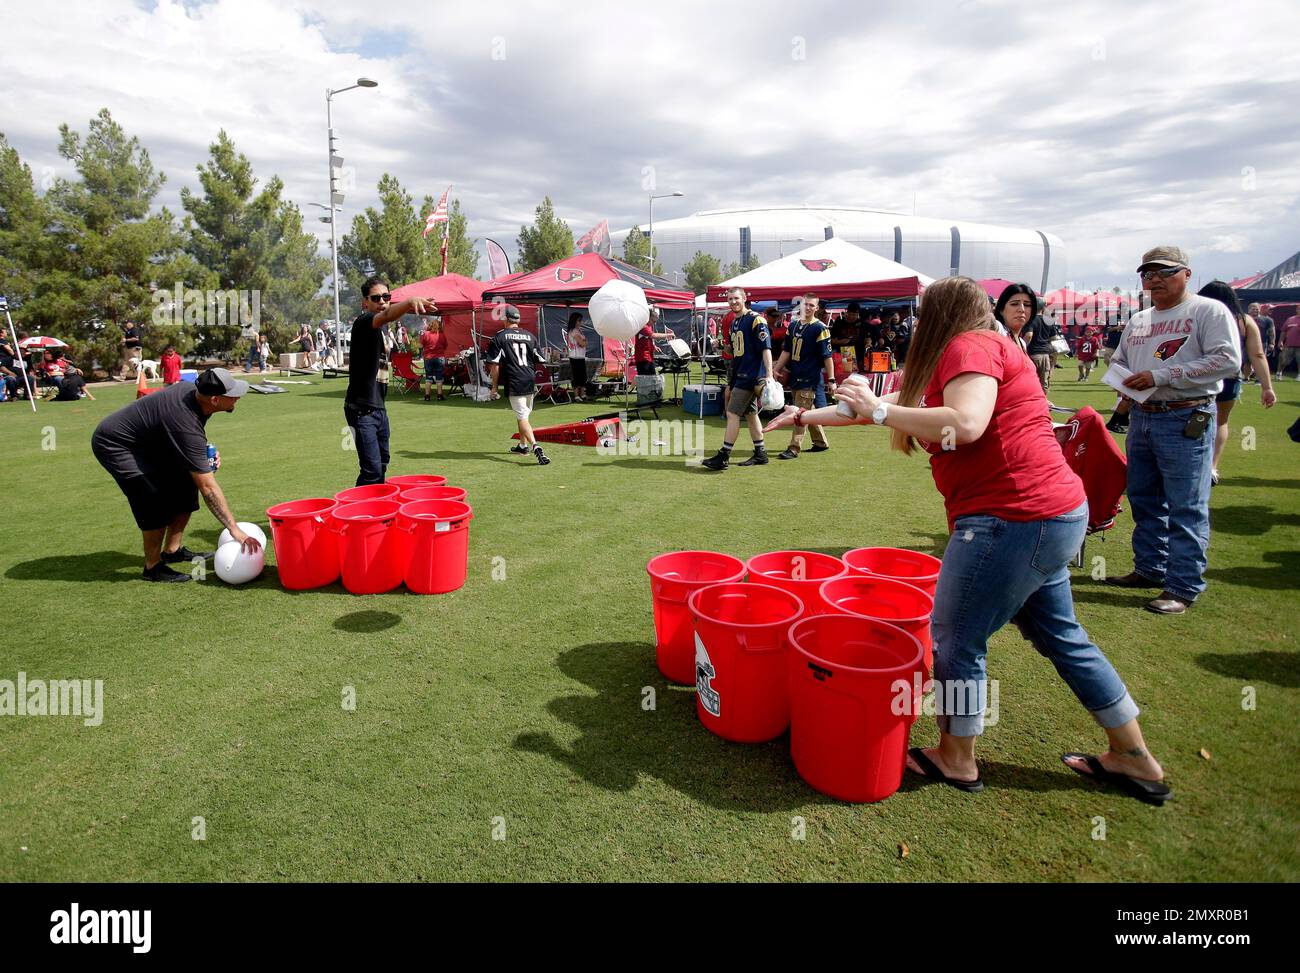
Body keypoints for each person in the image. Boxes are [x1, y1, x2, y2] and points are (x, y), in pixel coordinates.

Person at [764, 275, 1170, 805]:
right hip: (1052, 513)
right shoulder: (976, 349)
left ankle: (956, 758)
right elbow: (868, 409)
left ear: (938, 313)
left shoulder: (969, 346)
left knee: (955, 639)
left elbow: (967, 423)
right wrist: (800, 414)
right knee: (1062, 637)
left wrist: (878, 411)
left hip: (1010, 517)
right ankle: (1133, 755)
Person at [1105, 246, 1241, 615]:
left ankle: (1183, 585)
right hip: (1144, 414)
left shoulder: (1207, 310)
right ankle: (1150, 568)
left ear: (1186, 274)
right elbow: (1120, 359)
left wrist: (1161, 375)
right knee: (1145, 498)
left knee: (1186, 504)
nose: (1154, 280)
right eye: (1147, 274)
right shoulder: (1140, 319)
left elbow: (1227, 360)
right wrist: (1121, 380)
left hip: (1186, 414)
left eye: (1163, 272)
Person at [91, 368, 263, 583]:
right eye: (233, 395)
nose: (238, 397)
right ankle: (152, 567)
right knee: (152, 498)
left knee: (186, 483)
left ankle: (172, 551)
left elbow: (186, 434)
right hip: (116, 444)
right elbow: (208, 488)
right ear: (216, 400)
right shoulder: (185, 419)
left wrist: (202, 452)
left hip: (151, 442)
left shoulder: (195, 394)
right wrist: (234, 529)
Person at [345, 277, 433, 485]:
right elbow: (385, 315)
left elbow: (386, 316)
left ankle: (375, 510)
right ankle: (357, 514)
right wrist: (410, 302)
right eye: (376, 298)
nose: (382, 301)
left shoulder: (382, 328)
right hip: (361, 409)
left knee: (382, 463)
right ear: (365, 302)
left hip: (379, 409)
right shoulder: (364, 322)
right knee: (372, 470)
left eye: (386, 297)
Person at [1198, 282, 1277, 485]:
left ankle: (1193, 464)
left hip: (1200, 376)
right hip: (1230, 376)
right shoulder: (1244, 320)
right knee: (1221, 421)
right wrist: (1267, 387)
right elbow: (1257, 354)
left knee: (1196, 419)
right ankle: (1212, 467)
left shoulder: (1198, 315)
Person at [701, 287, 773, 470]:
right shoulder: (734, 322)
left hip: (751, 375)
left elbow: (766, 348)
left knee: (732, 413)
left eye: (736, 298)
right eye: (730, 299)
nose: (733, 302)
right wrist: (722, 346)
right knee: (751, 414)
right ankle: (760, 453)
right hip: (740, 372)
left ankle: (723, 455)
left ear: (744, 298)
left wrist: (770, 374)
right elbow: (734, 352)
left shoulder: (756, 319)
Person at [771, 292, 834, 459]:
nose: (807, 308)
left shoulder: (820, 328)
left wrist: (832, 379)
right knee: (808, 410)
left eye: (811, 305)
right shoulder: (793, 326)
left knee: (799, 413)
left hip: (810, 377)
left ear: (816, 308)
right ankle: (820, 442)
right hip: (796, 375)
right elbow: (787, 350)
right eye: (805, 304)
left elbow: (827, 356)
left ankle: (794, 447)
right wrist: (776, 369)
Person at [487, 305, 549, 466]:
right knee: (523, 414)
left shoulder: (499, 337)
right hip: (529, 378)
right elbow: (541, 360)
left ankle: (535, 446)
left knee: (522, 416)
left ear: (506, 320)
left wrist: (494, 387)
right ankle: (523, 446)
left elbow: (494, 365)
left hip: (514, 379)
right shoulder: (529, 335)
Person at [993, 283, 1036, 355]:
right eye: (1014, 304)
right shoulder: (998, 330)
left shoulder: (1022, 343)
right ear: (1001, 309)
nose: (1022, 309)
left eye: (1027, 305)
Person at [1020, 309, 1057, 393]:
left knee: (1031, 380)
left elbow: (1029, 335)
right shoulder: (1048, 320)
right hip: (1045, 354)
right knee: (1044, 381)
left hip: (1033, 354)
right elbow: (1054, 338)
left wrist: (1022, 347)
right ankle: (1043, 401)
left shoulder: (1031, 319)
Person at [633, 306, 675, 377]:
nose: (654, 323)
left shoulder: (649, 326)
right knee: (644, 379)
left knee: (652, 378)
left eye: (655, 322)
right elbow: (653, 335)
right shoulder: (643, 326)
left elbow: (647, 338)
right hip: (642, 358)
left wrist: (654, 346)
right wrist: (668, 335)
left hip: (649, 357)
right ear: (648, 318)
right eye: (653, 321)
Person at [419, 317, 449, 401]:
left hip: (428, 358)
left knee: (428, 377)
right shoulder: (442, 335)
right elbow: (445, 346)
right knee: (439, 378)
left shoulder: (426, 334)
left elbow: (421, 346)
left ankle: (427, 396)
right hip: (439, 357)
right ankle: (439, 395)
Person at [565, 312, 589, 403]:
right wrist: (584, 342)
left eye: (580, 320)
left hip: (581, 356)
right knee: (576, 376)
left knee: (583, 376)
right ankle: (576, 395)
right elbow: (582, 343)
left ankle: (582, 394)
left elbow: (585, 343)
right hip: (575, 357)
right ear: (574, 321)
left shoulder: (579, 331)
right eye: (578, 320)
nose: (580, 322)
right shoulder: (573, 331)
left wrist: (584, 342)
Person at [1246, 303, 1274, 378]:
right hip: (1246, 342)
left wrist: (1272, 343)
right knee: (1247, 361)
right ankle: (1246, 378)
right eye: (1253, 309)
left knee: (1260, 361)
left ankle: (1258, 379)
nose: (1255, 310)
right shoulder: (1244, 318)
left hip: (1262, 343)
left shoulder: (1268, 320)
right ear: (1249, 310)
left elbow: (1271, 332)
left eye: (1257, 309)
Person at [1278, 307, 1300, 380]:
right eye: (1299, 309)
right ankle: (1279, 373)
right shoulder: (1290, 319)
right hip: (1289, 344)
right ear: (1296, 310)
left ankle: (1299, 376)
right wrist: (1281, 341)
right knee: (1284, 360)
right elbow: (1283, 331)